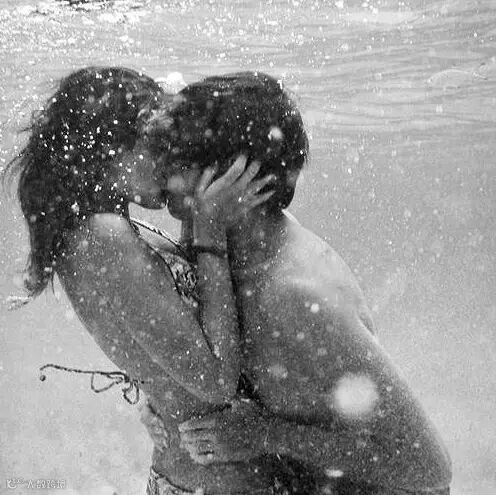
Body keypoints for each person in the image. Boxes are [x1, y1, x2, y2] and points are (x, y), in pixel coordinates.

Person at [145, 71, 453, 494]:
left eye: (179, 158)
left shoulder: (294, 293)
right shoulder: (221, 238)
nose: (160, 170)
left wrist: (265, 434)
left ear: (238, 175)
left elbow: (428, 468)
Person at [5, 66, 294, 495]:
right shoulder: (102, 236)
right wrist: (209, 226)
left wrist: (156, 396)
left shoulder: (105, 231)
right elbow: (215, 381)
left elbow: (164, 351)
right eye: (157, 144)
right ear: (112, 149)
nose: (170, 157)